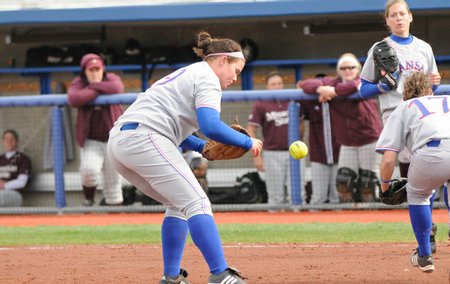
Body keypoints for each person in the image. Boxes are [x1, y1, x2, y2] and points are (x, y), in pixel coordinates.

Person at [107, 31, 262, 284]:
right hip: (145, 139)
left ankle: (171, 277)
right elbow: (210, 125)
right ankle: (220, 274)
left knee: (179, 204)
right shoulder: (208, 78)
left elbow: (172, 124)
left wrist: (201, 147)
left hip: (121, 143)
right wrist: (248, 141)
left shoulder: (188, 74)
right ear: (222, 60)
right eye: (236, 70)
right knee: (198, 202)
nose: (236, 77)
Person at [376, 72, 450, 283]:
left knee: (418, 196)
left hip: (431, 153)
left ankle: (424, 255)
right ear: (431, 90)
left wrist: (385, 187)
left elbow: (388, 159)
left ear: (405, 94)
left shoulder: (405, 107)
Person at [359, 0, 441, 252]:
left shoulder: (424, 48)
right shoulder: (380, 47)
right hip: (394, 112)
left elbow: (431, 86)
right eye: (393, 15)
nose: (398, 18)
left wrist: (435, 83)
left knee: (426, 169)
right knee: (411, 175)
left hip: (422, 114)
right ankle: (426, 227)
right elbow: (363, 88)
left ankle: (426, 226)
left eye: (402, 14)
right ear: (387, 20)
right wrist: (381, 86)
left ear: (410, 17)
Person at [300, 53, 383, 203]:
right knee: (344, 182)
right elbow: (305, 85)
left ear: (358, 68)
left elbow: (352, 86)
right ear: (339, 70)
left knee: (367, 182)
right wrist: (321, 89)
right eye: (343, 68)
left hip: (369, 138)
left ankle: (370, 213)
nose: (347, 70)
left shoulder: (363, 79)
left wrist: (332, 92)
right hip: (347, 142)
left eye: (351, 67)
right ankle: (350, 215)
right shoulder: (332, 81)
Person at [67, 53, 124, 206]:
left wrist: (91, 88)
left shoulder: (111, 78)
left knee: (113, 185)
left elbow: (117, 88)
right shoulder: (78, 82)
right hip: (91, 140)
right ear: (84, 71)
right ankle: (89, 200)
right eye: (91, 70)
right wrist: (99, 90)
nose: (94, 73)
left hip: (113, 139)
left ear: (103, 70)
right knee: (89, 171)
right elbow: (74, 98)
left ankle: (116, 221)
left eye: (97, 69)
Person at [247, 71, 301, 209]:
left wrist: (299, 142)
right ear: (267, 86)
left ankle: (299, 222)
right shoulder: (261, 103)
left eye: (279, 83)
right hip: (272, 153)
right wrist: (256, 156)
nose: (277, 86)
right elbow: (251, 129)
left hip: (294, 153)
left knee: (297, 194)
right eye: (273, 84)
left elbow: (301, 124)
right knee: (275, 196)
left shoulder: (292, 99)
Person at [0, 130, 32, 207]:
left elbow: (22, 182)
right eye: (6, 139)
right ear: (2, 142)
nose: (9, 141)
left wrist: (4, 185)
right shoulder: (0, 159)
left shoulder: (23, 159)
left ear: (17, 141)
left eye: (12, 139)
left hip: (15, 194)